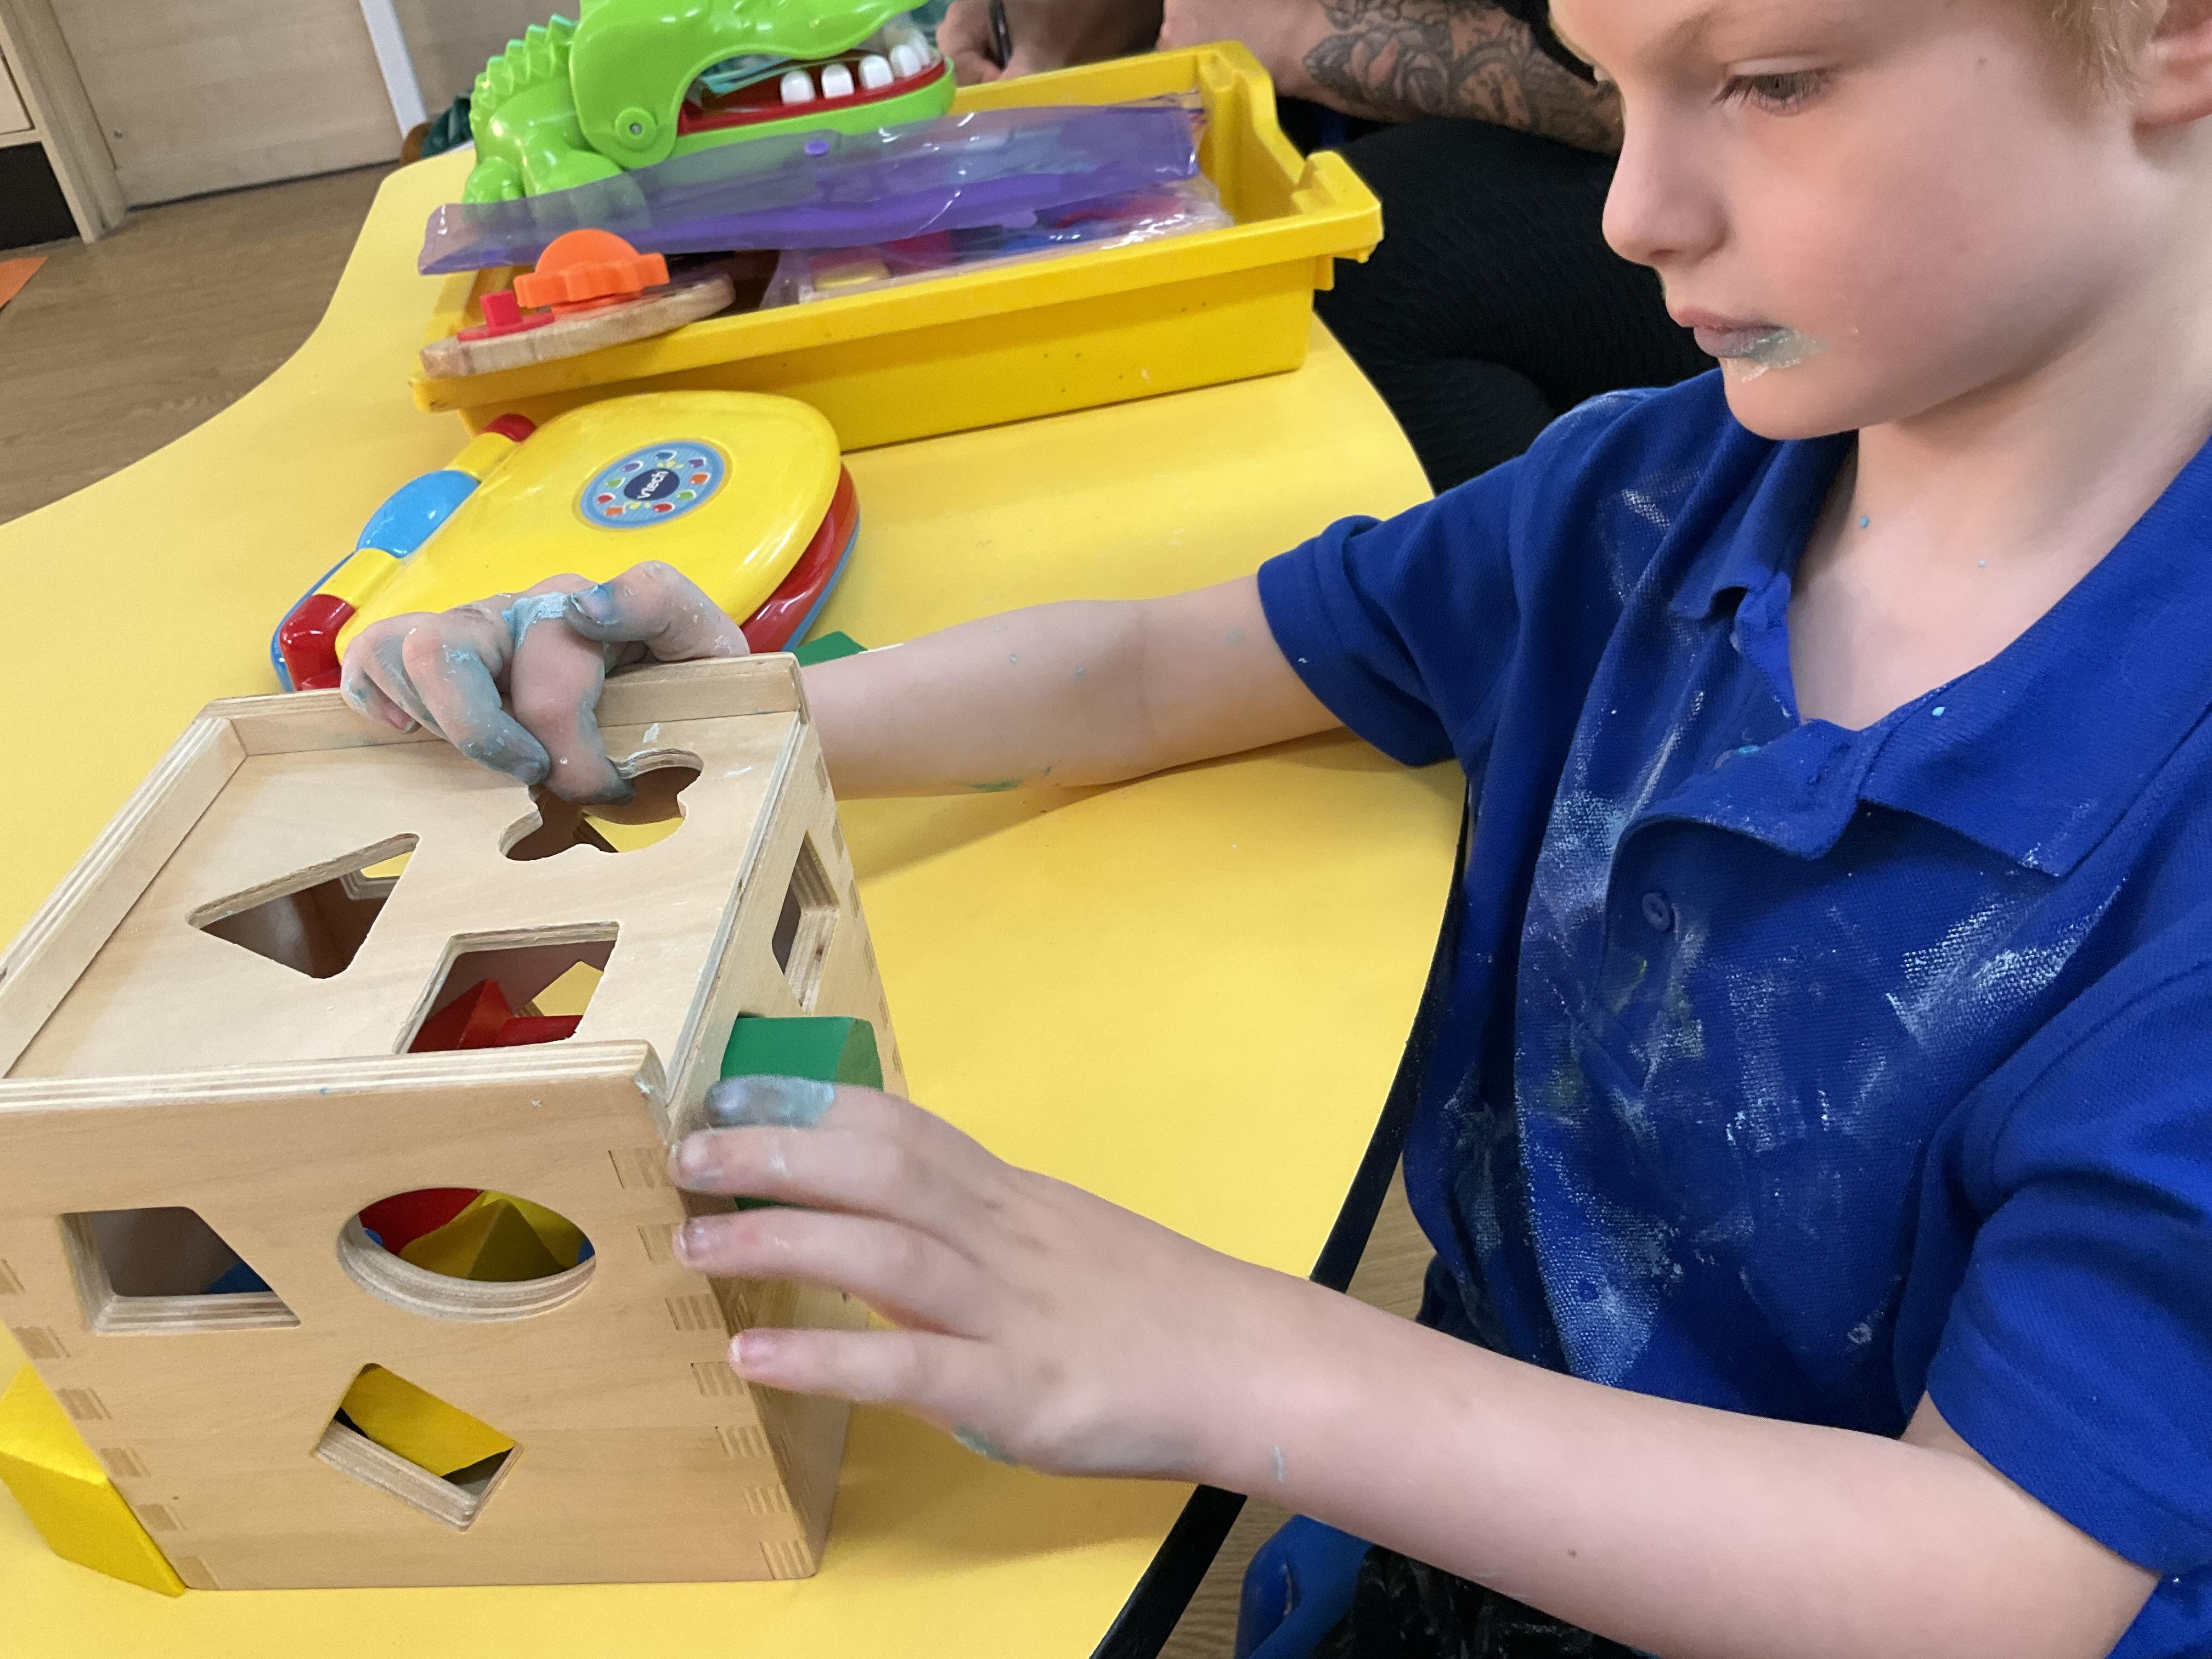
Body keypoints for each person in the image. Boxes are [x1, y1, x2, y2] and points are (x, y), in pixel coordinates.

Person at [337, 1, 2212, 1652]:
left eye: (1772, 81)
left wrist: (1245, 1360)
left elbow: (2001, 1577)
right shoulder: (1654, 489)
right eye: (1613, 80)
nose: (1635, 210)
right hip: (1471, 1500)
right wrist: (740, 721)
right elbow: (1158, 668)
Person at [936, 0, 1714, 491]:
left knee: (1352, 268)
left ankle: (1550, 641)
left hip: (1692, 163)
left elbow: (1688, 76)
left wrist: (1297, 37)